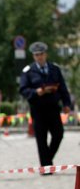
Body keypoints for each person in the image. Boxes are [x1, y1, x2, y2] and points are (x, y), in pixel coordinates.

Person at [20, 41, 72, 173]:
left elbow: (63, 88)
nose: (39, 57)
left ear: (46, 54)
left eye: (41, 54)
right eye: (37, 55)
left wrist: (67, 104)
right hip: (38, 109)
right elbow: (23, 90)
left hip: (53, 108)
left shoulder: (55, 69)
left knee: (58, 134)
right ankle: (46, 167)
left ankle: (47, 161)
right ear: (33, 56)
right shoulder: (29, 71)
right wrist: (35, 92)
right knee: (41, 138)